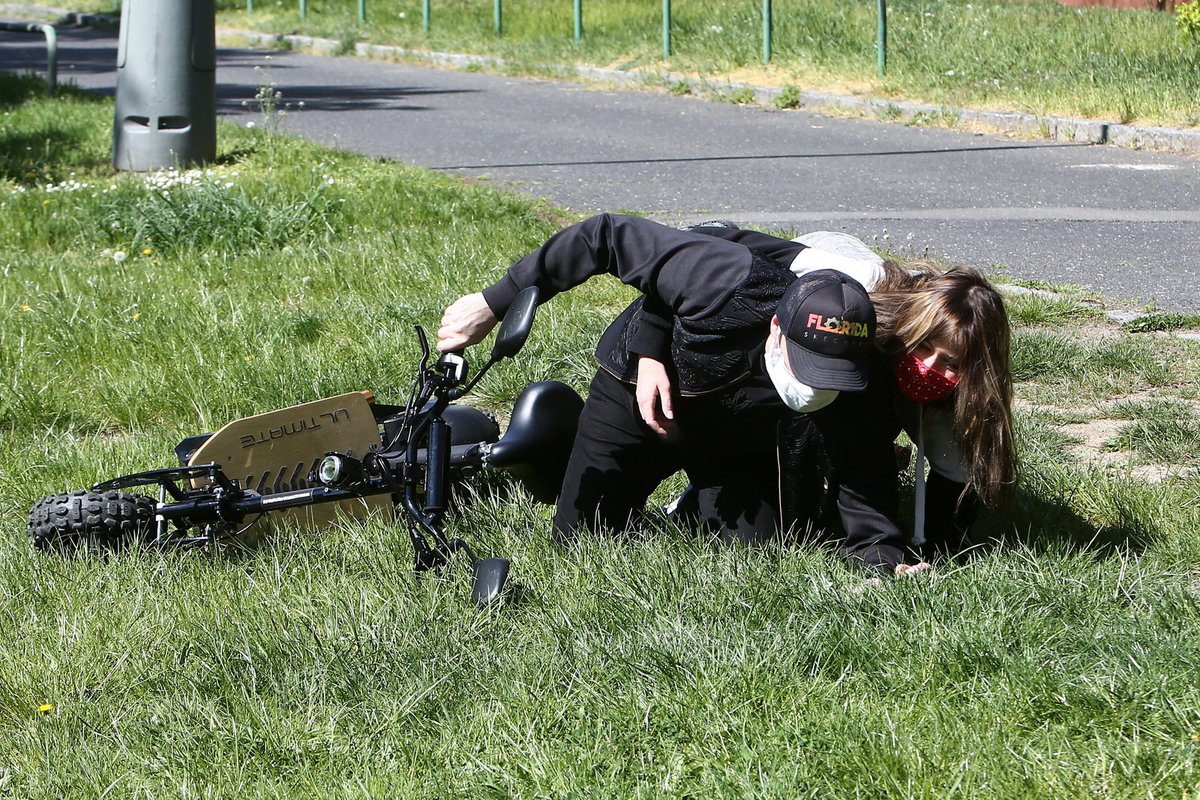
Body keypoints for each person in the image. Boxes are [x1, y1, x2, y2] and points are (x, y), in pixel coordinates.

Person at [437, 213, 883, 559]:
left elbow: (862, 449)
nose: (812, 384)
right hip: (637, 401)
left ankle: (691, 503)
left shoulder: (861, 360)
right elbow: (604, 235)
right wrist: (493, 301)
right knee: (582, 546)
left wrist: (882, 552)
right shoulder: (729, 279)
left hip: (736, 440)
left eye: (829, 373)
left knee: (759, 555)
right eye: (804, 363)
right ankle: (568, 442)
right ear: (776, 327)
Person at [678, 223, 1019, 567]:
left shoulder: (962, 392)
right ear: (913, 330)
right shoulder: (854, 280)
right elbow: (719, 241)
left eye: (950, 363)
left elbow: (957, 473)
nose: (927, 366)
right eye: (923, 347)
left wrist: (934, 551)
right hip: (807, 308)